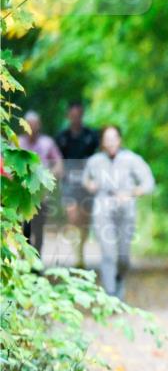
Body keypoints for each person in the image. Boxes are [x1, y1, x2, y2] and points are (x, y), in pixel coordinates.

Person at [82, 125, 155, 300]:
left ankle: (119, 279)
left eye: (113, 138)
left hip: (125, 209)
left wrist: (131, 193)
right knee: (107, 253)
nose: (110, 143)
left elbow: (148, 183)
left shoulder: (132, 159)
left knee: (123, 256)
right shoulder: (95, 161)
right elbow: (85, 179)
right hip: (103, 208)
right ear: (102, 142)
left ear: (120, 140)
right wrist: (90, 185)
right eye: (107, 139)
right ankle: (111, 294)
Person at [55, 100, 100, 268]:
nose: (76, 119)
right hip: (68, 184)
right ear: (68, 116)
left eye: (79, 115)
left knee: (84, 219)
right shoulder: (61, 138)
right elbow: (56, 158)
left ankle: (80, 249)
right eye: (73, 116)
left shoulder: (91, 135)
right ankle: (77, 255)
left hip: (87, 182)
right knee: (73, 216)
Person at [18, 110, 64, 255]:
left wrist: (49, 177)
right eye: (28, 125)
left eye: (34, 125)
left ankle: (37, 261)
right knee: (24, 228)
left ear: (39, 125)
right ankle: (26, 260)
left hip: (41, 195)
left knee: (38, 228)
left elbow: (59, 163)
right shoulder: (17, 142)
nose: (31, 128)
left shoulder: (47, 143)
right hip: (22, 194)